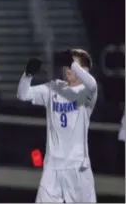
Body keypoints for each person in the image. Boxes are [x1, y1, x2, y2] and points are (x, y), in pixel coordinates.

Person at [17, 49, 97, 203]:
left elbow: (92, 84)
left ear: (84, 70)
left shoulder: (87, 93)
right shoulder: (53, 88)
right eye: (67, 65)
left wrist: (72, 64)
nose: (68, 68)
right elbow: (23, 95)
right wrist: (27, 75)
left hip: (78, 168)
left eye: (72, 65)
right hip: (52, 167)